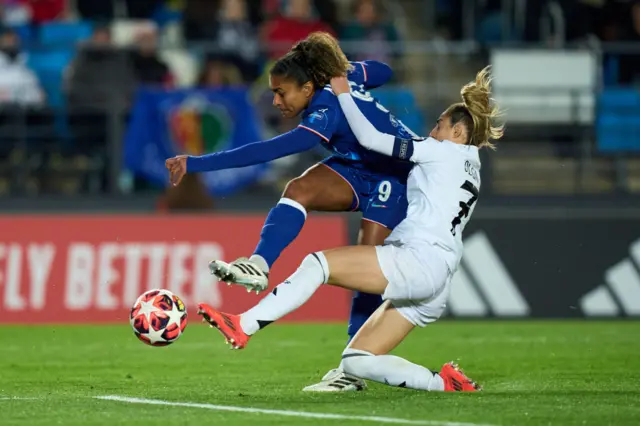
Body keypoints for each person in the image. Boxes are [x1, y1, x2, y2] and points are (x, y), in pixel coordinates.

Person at [196, 66, 503, 392]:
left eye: (439, 125)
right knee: (357, 360)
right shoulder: (472, 163)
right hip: (438, 277)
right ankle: (445, 384)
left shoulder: (439, 151)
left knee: (318, 264)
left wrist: (343, 92)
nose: (430, 131)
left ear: (458, 133)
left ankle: (243, 324)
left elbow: (371, 139)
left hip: (419, 261)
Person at [165, 32, 417, 392]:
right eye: (273, 91)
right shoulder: (331, 89)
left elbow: (267, 151)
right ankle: (259, 264)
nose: (276, 100)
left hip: (398, 175)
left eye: (282, 92)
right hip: (358, 165)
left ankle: (352, 368)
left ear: (307, 87)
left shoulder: (325, 109)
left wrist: (196, 163)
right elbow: (382, 72)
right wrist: (349, 73)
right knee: (299, 188)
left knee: (366, 263)